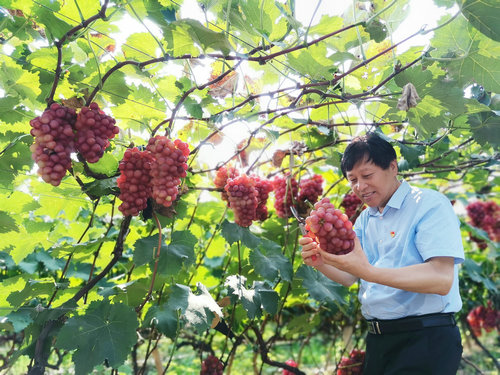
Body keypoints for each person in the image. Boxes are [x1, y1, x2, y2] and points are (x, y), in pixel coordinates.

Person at [299, 132, 464, 375]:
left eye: (367, 175)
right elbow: (350, 277)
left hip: (425, 339)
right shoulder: (366, 218)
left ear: (393, 166)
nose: (360, 186)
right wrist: (321, 261)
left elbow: (440, 279)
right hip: (379, 340)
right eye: (352, 179)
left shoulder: (429, 204)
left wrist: (368, 272)